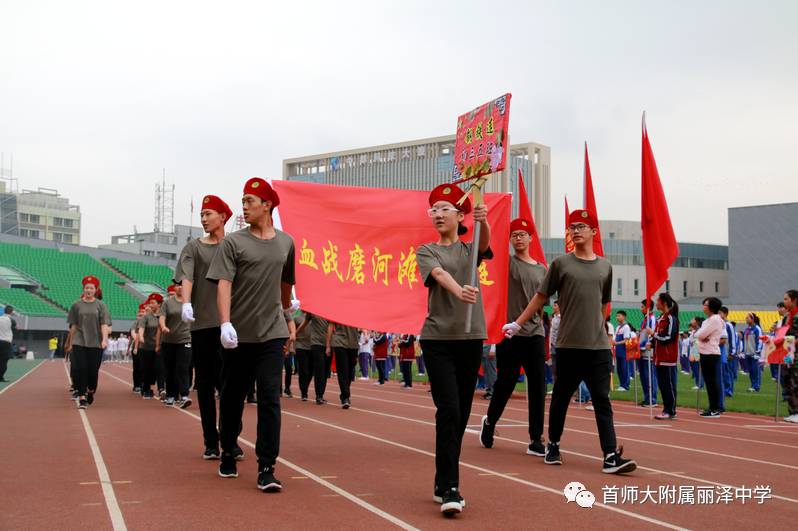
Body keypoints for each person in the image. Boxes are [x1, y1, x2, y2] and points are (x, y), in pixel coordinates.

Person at [504, 208, 636, 475]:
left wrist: (598, 329)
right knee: (561, 398)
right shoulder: (561, 264)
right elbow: (541, 297)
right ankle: (553, 444)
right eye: (572, 227)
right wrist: (518, 323)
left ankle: (610, 455)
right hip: (568, 346)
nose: (575, 231)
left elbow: (603, 303)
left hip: (598, 347)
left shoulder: (604, 266)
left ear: (593, 233)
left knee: (601, 399)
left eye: (580, 227)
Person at [206, 177, 295, 491]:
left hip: (272, 332)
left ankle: (267, 466)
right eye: (242, 201)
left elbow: (286, 281)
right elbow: (224, 283)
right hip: (238, 334)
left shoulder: (286, 242)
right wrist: (225, 323)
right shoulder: (234, 243)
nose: (244, 207)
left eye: (250, 201)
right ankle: (228, 449)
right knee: (232, 398)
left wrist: (288, 311)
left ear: (267, 205)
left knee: (271, 398)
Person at [416, 183, 491, 515]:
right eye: (434, 209)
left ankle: (440, 476)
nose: (438, 214)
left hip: (471, 337)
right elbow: (438, 274)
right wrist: (459, 290)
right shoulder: (427, 250)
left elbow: (485, 244)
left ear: (460, 216)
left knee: (459, 413)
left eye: (445, 208)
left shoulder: (470, 250)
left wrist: (484, 220)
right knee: (448, 410)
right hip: (437, 340)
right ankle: (450, 487)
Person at [480, 217, 548, 457]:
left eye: (523, 234)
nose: (518, 238)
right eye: (514, 235)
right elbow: (486, 252)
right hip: (510, 332)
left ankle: (536, 439)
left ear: (531, 238)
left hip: (535, 333)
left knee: (538, 386)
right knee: (506, 383)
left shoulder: (542, 269)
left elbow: (543, 302)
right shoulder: (505, 264)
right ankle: (490, 423)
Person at [175, 194, 232, 458]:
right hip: (203, 326)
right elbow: (186, 276)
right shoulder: (194, 248)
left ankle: (230, 439)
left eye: (208, 214)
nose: (204, 219)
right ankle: (211, 440)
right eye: (201, 215)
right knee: (206, 385)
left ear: (222, 216)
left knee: (232, 386)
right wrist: (186, 303)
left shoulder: (234, 245)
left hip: (231, 326)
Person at [64, 276, 112, 408]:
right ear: (83, 289)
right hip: (79, 341)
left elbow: (104, 324)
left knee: (93, 371)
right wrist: (69, 342)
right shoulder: (76, 305)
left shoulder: (101, 305)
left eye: (91, 288)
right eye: (87, 288)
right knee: (80, 368)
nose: (89, 290)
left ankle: (90, 390)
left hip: (96, 342)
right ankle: (82, 396)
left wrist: (104, 340)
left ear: (96, 290)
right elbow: (73, 325)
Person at [159, 284, 193, 408]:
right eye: (178, 285)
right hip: (169, 340)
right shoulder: (167, 303)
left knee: (183, 368)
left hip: (185, 339)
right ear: (174, 288)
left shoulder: (190, 301)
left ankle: (184, 395)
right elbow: (162, 317)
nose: (180, 288)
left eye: (182, 285)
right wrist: (163, 326)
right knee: (170, 369)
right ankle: (170, 395)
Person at [649, 293, 680, 420]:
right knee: (663, 385)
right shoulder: (660, 318)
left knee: (668, 385)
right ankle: (666, 409)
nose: (656, 304)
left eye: (658, 301)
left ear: (664, 303)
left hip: (668, 358)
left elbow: (669, 337)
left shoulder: (671, 318)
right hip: (659, 357)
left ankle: (671, 410)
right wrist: (651, 343)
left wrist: (654, 335)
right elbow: (658, 336)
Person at [694, 297, 725, 417]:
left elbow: (700, 334)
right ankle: (712, 406)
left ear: (711, 307)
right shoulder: (709, 320)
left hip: (711, 353)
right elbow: (699, 335)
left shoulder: (715, 320)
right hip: (705, 353)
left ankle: (716, 408)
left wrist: (701, 336)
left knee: (712, 382)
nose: (703, 306)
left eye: (706, 305)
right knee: (709, 382)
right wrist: (700, 336)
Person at [774, 290, 798, 423]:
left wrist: (793, 342)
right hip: (787, 352)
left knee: (796, 382)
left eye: (786, 299)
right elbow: (782, 333)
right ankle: (793, 411)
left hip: (796, 354)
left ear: (794, 300)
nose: (784, 301)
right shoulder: (787, 317)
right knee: (787, 380)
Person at [137, 293, 163, 399]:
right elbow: (141, 328)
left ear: (159, 304)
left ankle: (162, 389)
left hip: (161, 347)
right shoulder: (146, 317)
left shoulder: (163, 316)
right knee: (147, 369)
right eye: (150, 303)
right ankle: (146, 388)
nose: (151, 305)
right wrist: (141, 337)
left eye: (153, 303)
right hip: (147, 347)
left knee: (160, 368)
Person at [328, 321, 359, 407]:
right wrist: (328, 345)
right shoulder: (336, 311)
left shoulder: (358, 311)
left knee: (349, 372)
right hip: (339, 343)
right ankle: (345, 397)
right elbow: (330, 326)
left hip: (353, 344)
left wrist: (366, 333)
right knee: (343, 371)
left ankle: (345, 393)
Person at [638, 300, 658, 407]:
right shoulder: (645, 319)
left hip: (648, 351)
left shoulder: (652, 319)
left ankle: (652, 399)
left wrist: (646, 344)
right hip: (641, 351)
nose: (641, 309)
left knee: (650, 375)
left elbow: (652, 333)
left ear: (648, 307)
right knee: (644, 376)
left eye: (642, 307)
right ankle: (647, 397)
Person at [294, 311, 313, 399]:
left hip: (312, 345)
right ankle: (304, 392)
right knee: (303, 370)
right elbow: (293, 332)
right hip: (300, 345)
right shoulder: (296, 317)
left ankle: (305, 387)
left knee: (310, 371)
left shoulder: (313, 317)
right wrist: (292, 346)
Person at [743, 313, 763, 392]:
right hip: (747, 353)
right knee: (750, 371)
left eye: (748, 318)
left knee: (755, 370)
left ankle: (756, 386)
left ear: (752, 319)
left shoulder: (757, 329)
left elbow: (760, 340)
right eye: (746, 318)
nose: (746, 319)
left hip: (754, 354)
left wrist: (757, 352)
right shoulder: (747, 329)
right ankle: (752, 385)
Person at [719, 307, 736, 399]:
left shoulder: (728, 325)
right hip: (722, 353)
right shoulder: (719, 324)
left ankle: (729, 391)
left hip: (728, 353)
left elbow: (732, 339)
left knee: (728, 373)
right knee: (723, 373)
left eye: (720, 313)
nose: (719, 315)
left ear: (725, 314)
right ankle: (724, 390)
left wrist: (732, 352)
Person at [613, 311, 631, 392]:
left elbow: (626, 340)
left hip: (624, 351)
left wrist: (616, 343)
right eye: (616, 316)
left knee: (624, 368)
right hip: (618, 351)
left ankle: (626, 385)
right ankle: (621, 384)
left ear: (624, 317)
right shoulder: (617, 327)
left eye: (619, 316)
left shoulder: (626, 327)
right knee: (619, 369)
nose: (617, 317)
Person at [0, 306, 16, 382]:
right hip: (6, 342)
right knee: (4, 361)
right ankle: (1, 377)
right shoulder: (12, 320)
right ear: (11, 312)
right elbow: (16, 329)